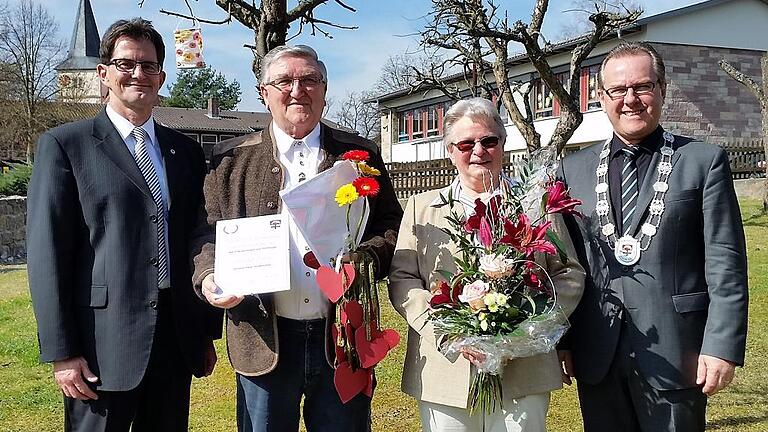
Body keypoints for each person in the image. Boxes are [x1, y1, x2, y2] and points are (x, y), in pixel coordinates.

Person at [189, 44, 403, 432]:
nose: (297, 89)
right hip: (263, 337)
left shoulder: (359, 154)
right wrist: (209, 276)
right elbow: (207, 232)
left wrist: (365, 258)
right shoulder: (229, 159)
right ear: (263, 93)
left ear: (324, 88)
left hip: (340, 339)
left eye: (309, 80)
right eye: (284, 81)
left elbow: (390, 223)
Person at [26, 18, 222, 431]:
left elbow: (196, 236)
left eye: (149, 66)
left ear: (162, 76)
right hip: (101, 342)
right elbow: (48, 254)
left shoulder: (183, 151)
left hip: (173, 336)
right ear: (104, 74)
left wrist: (204, 331)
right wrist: (63, 351)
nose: (138, 74)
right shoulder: (66, 146)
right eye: (125, 64)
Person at [557, 41, 749, 431]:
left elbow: (725, 263)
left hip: (680, 352)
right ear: (601, 97)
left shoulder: (702, 161)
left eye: (643, 87)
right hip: (598, 353)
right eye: (618, 90)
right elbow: (564, 267)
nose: (631, 100)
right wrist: (562, 341)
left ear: (663, 89)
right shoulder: (571, 170)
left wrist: (721, 346)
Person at [388, 97, 585, 432]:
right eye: (466, 143)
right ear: (450, 150)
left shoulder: (534, 204)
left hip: (524, 367)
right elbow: (403, 277)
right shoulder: (422, 208)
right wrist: (444, 329)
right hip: (446, 370)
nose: (478, 151)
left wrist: (530, 326)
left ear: (503, 145)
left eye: (489, 141)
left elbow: (569, 273)